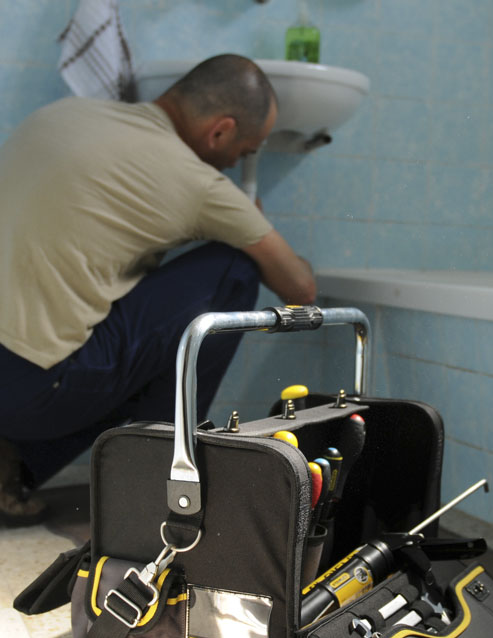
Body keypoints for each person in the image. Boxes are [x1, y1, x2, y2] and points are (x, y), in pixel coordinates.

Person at [0, 54, 316, 527]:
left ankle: (10, 464)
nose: (238, 162)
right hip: (29, 395)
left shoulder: (59, 115)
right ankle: (159, 486)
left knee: (122, 334)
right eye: (246, 150)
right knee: (232, 271)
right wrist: (252, 219)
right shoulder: (200, 185)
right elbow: (300, 288)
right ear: (221, 131)